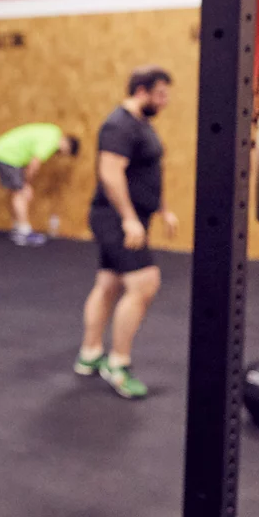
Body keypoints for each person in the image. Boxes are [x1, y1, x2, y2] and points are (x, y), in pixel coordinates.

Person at [74, 67, 178, 400]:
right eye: (160, 94)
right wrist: (129, 219)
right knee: (145, 283)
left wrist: (161, 208)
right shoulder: (118, 125)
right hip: (115, 218)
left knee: (108, 284)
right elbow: (110, 173)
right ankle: (118, 364)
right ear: (141, 90)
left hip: (128, 217)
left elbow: (143, 173)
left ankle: (90, 355)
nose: (165, 101)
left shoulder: (140, 126)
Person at [0, 123, 81, 245]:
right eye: (65, 153)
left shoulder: (53, 132)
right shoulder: (51, 142)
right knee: (21, 192)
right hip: (6, 156)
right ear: (67, 146)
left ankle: (18, 227)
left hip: (6, 154)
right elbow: (34, 164)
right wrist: (26, 184)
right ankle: (24, 232)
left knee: (17, 191)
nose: (61, 155)